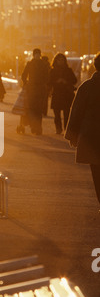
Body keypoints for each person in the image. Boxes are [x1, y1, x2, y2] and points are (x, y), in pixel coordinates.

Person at [65, 52, 100, 207]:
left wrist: (72, 135)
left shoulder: (86, 86)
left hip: (91, 138)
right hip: (92, 136)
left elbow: (76, 111)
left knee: (97, 173)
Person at [21, 48, 49, 135]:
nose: (37, 55)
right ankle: (34, 126)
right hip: (31, 89)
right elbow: (24, 75)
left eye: (38, 54)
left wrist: (45, 84)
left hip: (40, 89)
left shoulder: (43, 65)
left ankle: (38, 127)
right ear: (33, 55)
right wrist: (26, 83)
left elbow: (47, 76)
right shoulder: (29, 64)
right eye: (36, 54)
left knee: (38, 110)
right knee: (32, 109)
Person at [48, 53, 77, 135]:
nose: (61, 61)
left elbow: (74, 80)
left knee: (67, 113)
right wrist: (56, 81)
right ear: (56, 61)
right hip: (56, 94)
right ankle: (58, 128)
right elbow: (49, 82)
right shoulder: (53, 71)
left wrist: (65, 81)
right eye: (59, 60)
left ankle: (66, 129)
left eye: (62, 60)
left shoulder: (68, 70)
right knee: (56, 114)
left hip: (66, 94)